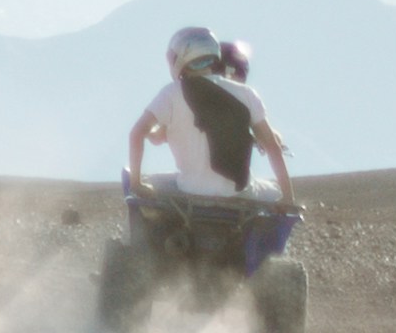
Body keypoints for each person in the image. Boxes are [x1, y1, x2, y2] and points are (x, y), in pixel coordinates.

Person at [125, 25, 299, 262]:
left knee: (136, 185)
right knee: (274, 197)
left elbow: (137, 134)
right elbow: (272, 146)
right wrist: (287, 198)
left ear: (180, 57)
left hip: (188, 189)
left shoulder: (171, 94)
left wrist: (137, 183)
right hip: (239, 194)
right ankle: (265, 263)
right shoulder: (247, 94)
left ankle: (140, 259)